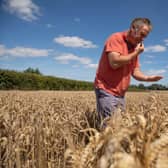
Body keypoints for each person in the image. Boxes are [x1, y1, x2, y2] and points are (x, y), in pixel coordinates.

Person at [94, 17, 163, 127]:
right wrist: (135, 54)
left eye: (145, 36)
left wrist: (148, 78)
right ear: (133, 28)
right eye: (142, 34)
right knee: (110, 128)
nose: (143, 39)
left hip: (121, 94)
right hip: (106, 89)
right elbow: (114, 62)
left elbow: (135, 71)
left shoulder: (134, 48)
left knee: (119, 126)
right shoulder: (116, 38)